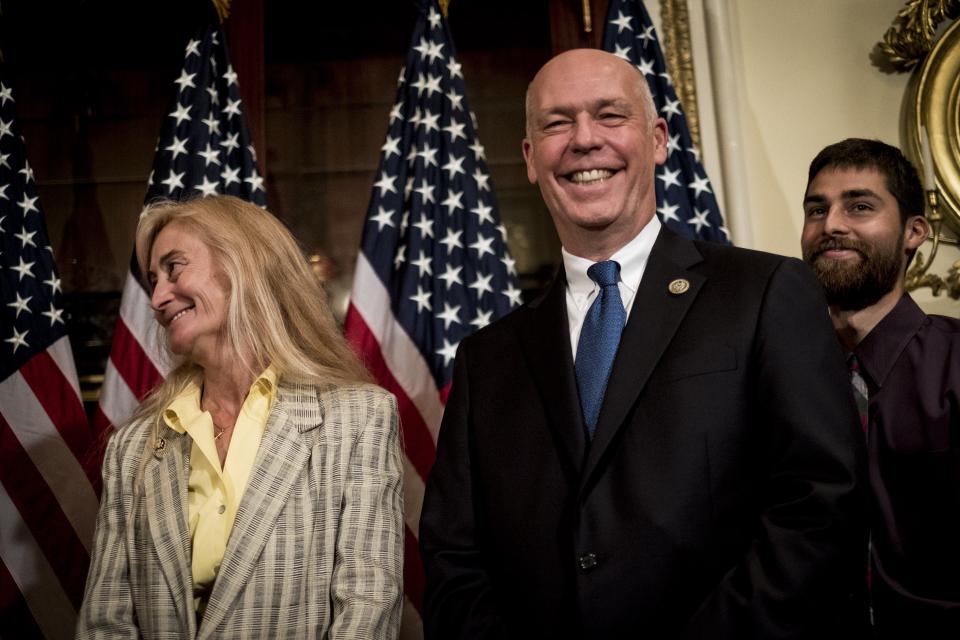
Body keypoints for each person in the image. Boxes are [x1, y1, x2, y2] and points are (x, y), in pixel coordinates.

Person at [419, 49, 867, 639]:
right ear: (530, 157)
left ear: (657, 140)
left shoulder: (767, 293)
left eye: (610, 115)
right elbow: (455, 561)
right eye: (557, 123)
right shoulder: (488, 359)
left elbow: (820, 507)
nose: (583, 141)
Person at [76, 196, 404, 639]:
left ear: (243, 265)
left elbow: (367, 609)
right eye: (153, 280)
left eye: (174, 269)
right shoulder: (131, 447)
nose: (156, 298)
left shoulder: (359, 418)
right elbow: (105, 622)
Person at [801, 138, 960, 638]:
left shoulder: (956, 364)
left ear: (914, 232)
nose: (831, 225)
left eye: (860, 206)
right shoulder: (777, 376)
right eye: (816, 209)